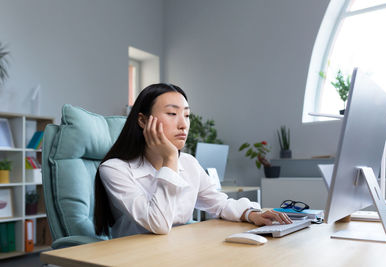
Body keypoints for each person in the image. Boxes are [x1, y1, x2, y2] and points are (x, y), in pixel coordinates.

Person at [94, 83, 291, 237]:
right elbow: (158, 224)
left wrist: (251, 214)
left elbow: (219, 204)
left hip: (180, 251)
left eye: (187, 115)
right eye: (172, 114)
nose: (183, 125)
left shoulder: (188, 163)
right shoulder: (114, 169)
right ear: (143, 121)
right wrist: (170, 158)